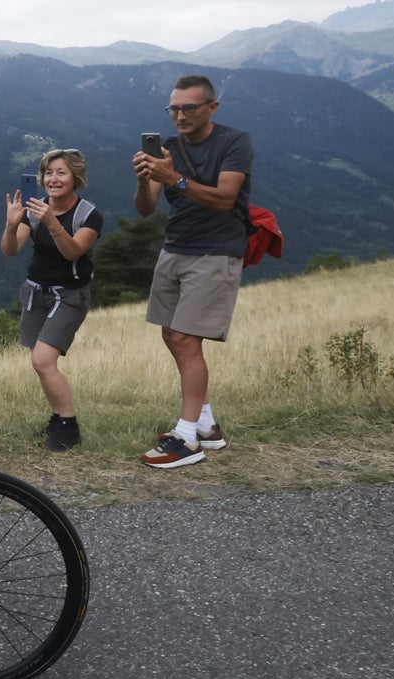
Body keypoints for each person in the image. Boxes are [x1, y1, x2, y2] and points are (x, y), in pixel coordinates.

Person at [132, 75, 253, 469]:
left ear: (211, 108)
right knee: (172, 333)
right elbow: (147, 208)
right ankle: (206, 424)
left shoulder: (234, 142)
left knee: (186, 337)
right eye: (174, 109)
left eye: (189, 108)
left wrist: (174, 179)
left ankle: (185, 439)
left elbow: (224, 199)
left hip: (216, 251)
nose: (180, 116)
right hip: (176, 247)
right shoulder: (167, 148)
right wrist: (145, 181)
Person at [1, 149, 103, 451]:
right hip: (35, 292)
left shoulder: (88, 215)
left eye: (61, 172)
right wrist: (11, 223)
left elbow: (73, 252)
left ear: (75, 177)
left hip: (69, 295)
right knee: (41, 363)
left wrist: (52, 222)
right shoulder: (35, 210)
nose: (53, 179)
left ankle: (69, 428)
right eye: (48, 172)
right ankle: (58, 419)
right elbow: (10, 250)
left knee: (43, 360)